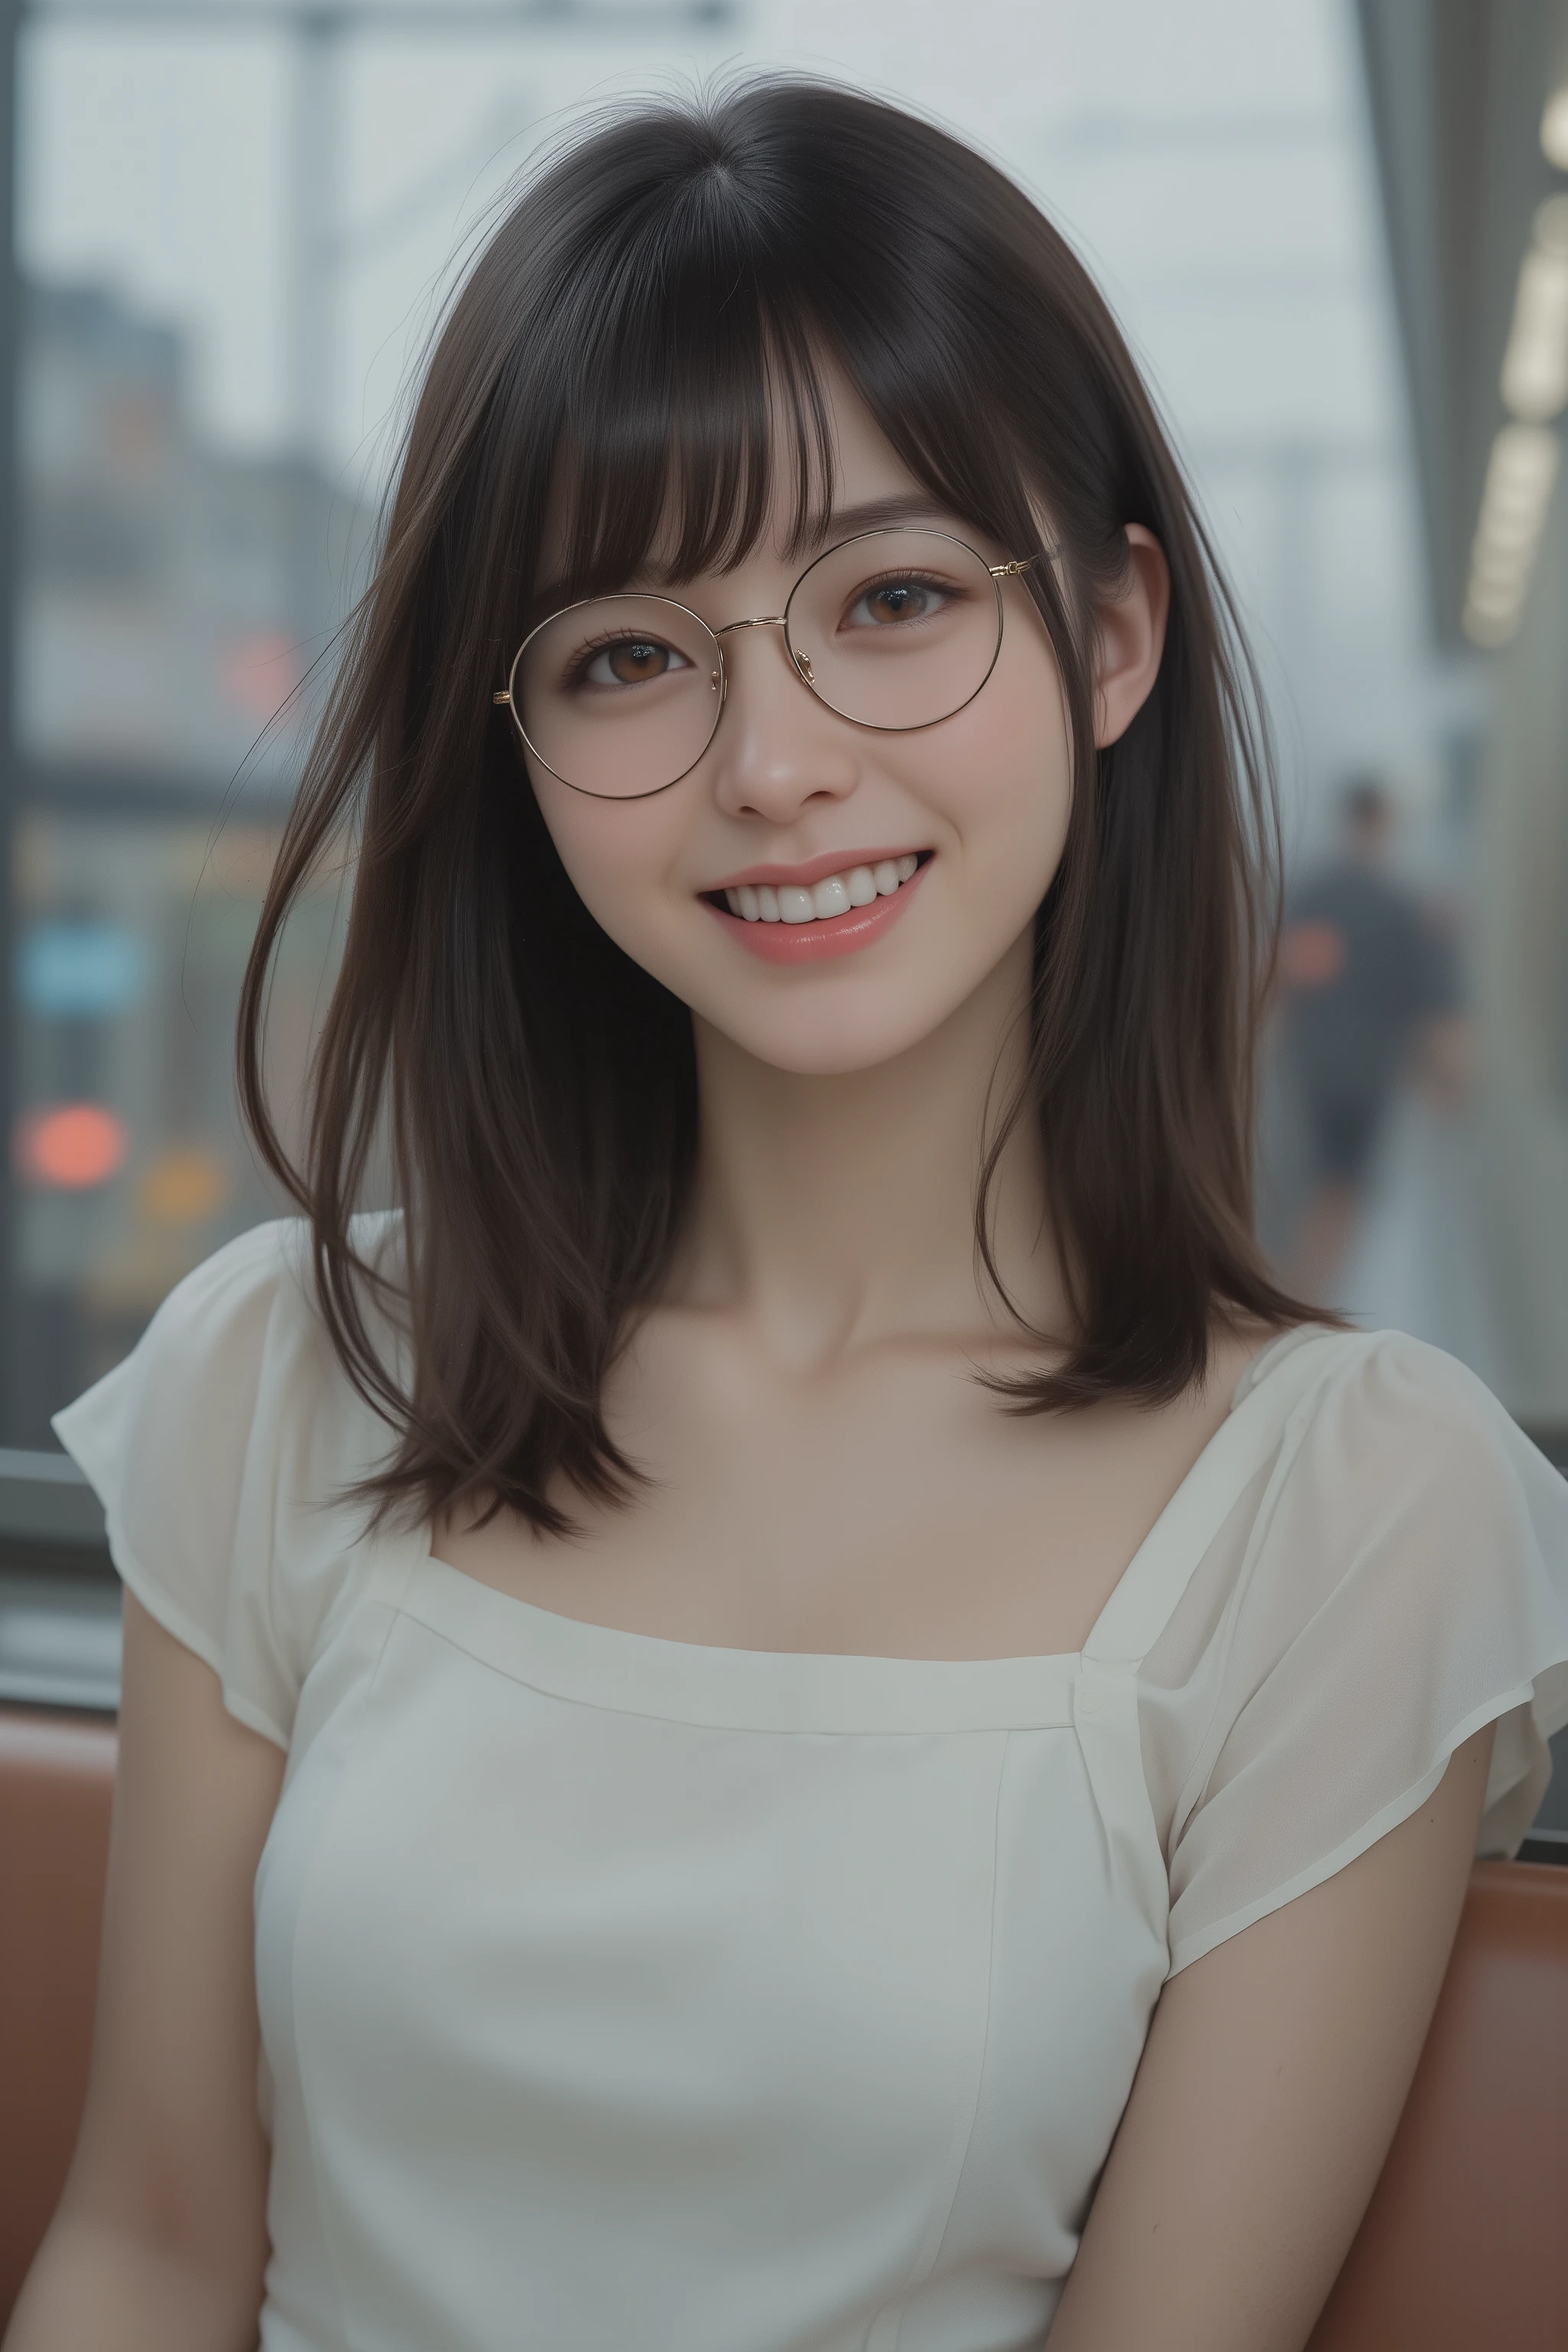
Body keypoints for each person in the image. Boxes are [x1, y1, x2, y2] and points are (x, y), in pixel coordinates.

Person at [8, 83, 1567, 2352]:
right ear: (519, 738)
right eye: (629, 654)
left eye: (898, 597)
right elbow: (146, 2248)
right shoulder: (290, 1372)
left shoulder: (1348, 1512)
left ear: (1113, 632)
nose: (772, 761)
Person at [1279, 776, 1472, 1297]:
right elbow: (1436, 1008)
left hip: (1314, 1067)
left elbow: (1288, 981)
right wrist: (1449, 1083)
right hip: (1364, 1075)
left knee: (1316, 1183)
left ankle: (1299, 1293)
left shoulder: (1315, 894)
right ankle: (1308, 1300)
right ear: (1385, 827)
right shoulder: (1406, 908)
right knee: (1339, 1188)